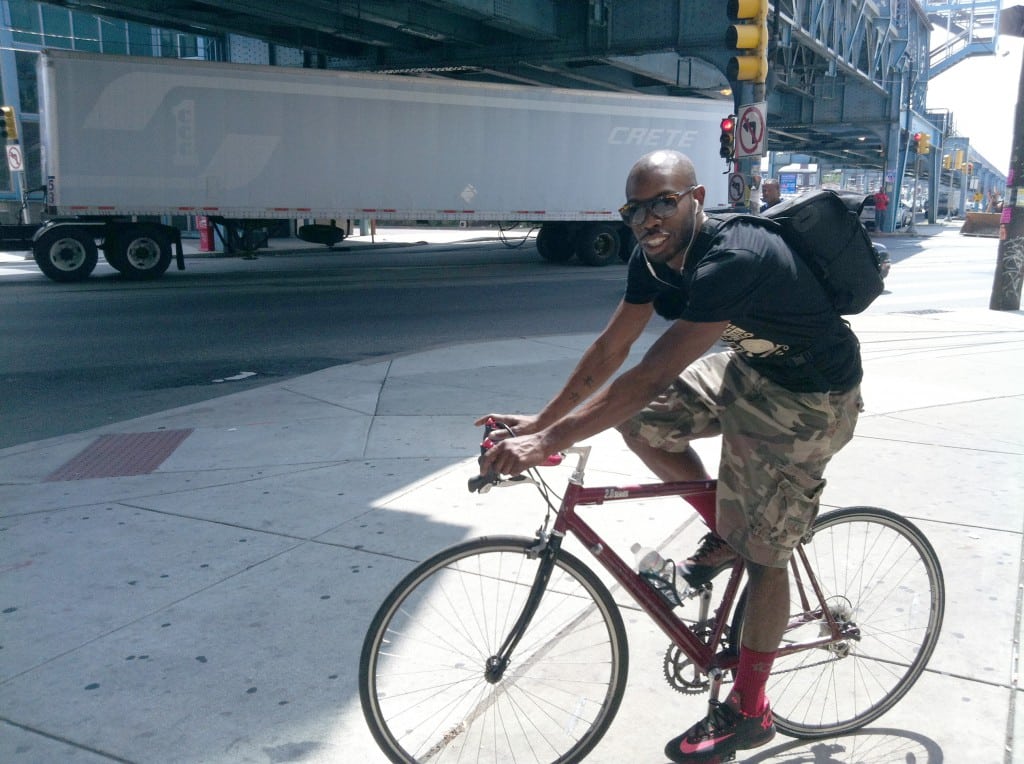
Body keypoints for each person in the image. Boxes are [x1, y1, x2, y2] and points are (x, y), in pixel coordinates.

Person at [478, 150, 863, 763]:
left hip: (813, 398)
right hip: (750, 371)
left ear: (696, 197)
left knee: (766, 558)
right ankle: (730, 531)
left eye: (663, 202)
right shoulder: (652, 260)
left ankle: (750, 711)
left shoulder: (734, 256)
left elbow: (652, 370)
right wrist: (543, 421)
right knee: (643, 423)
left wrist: (546, 444)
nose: (647, 218)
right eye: (635, 208)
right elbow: (613, 351)